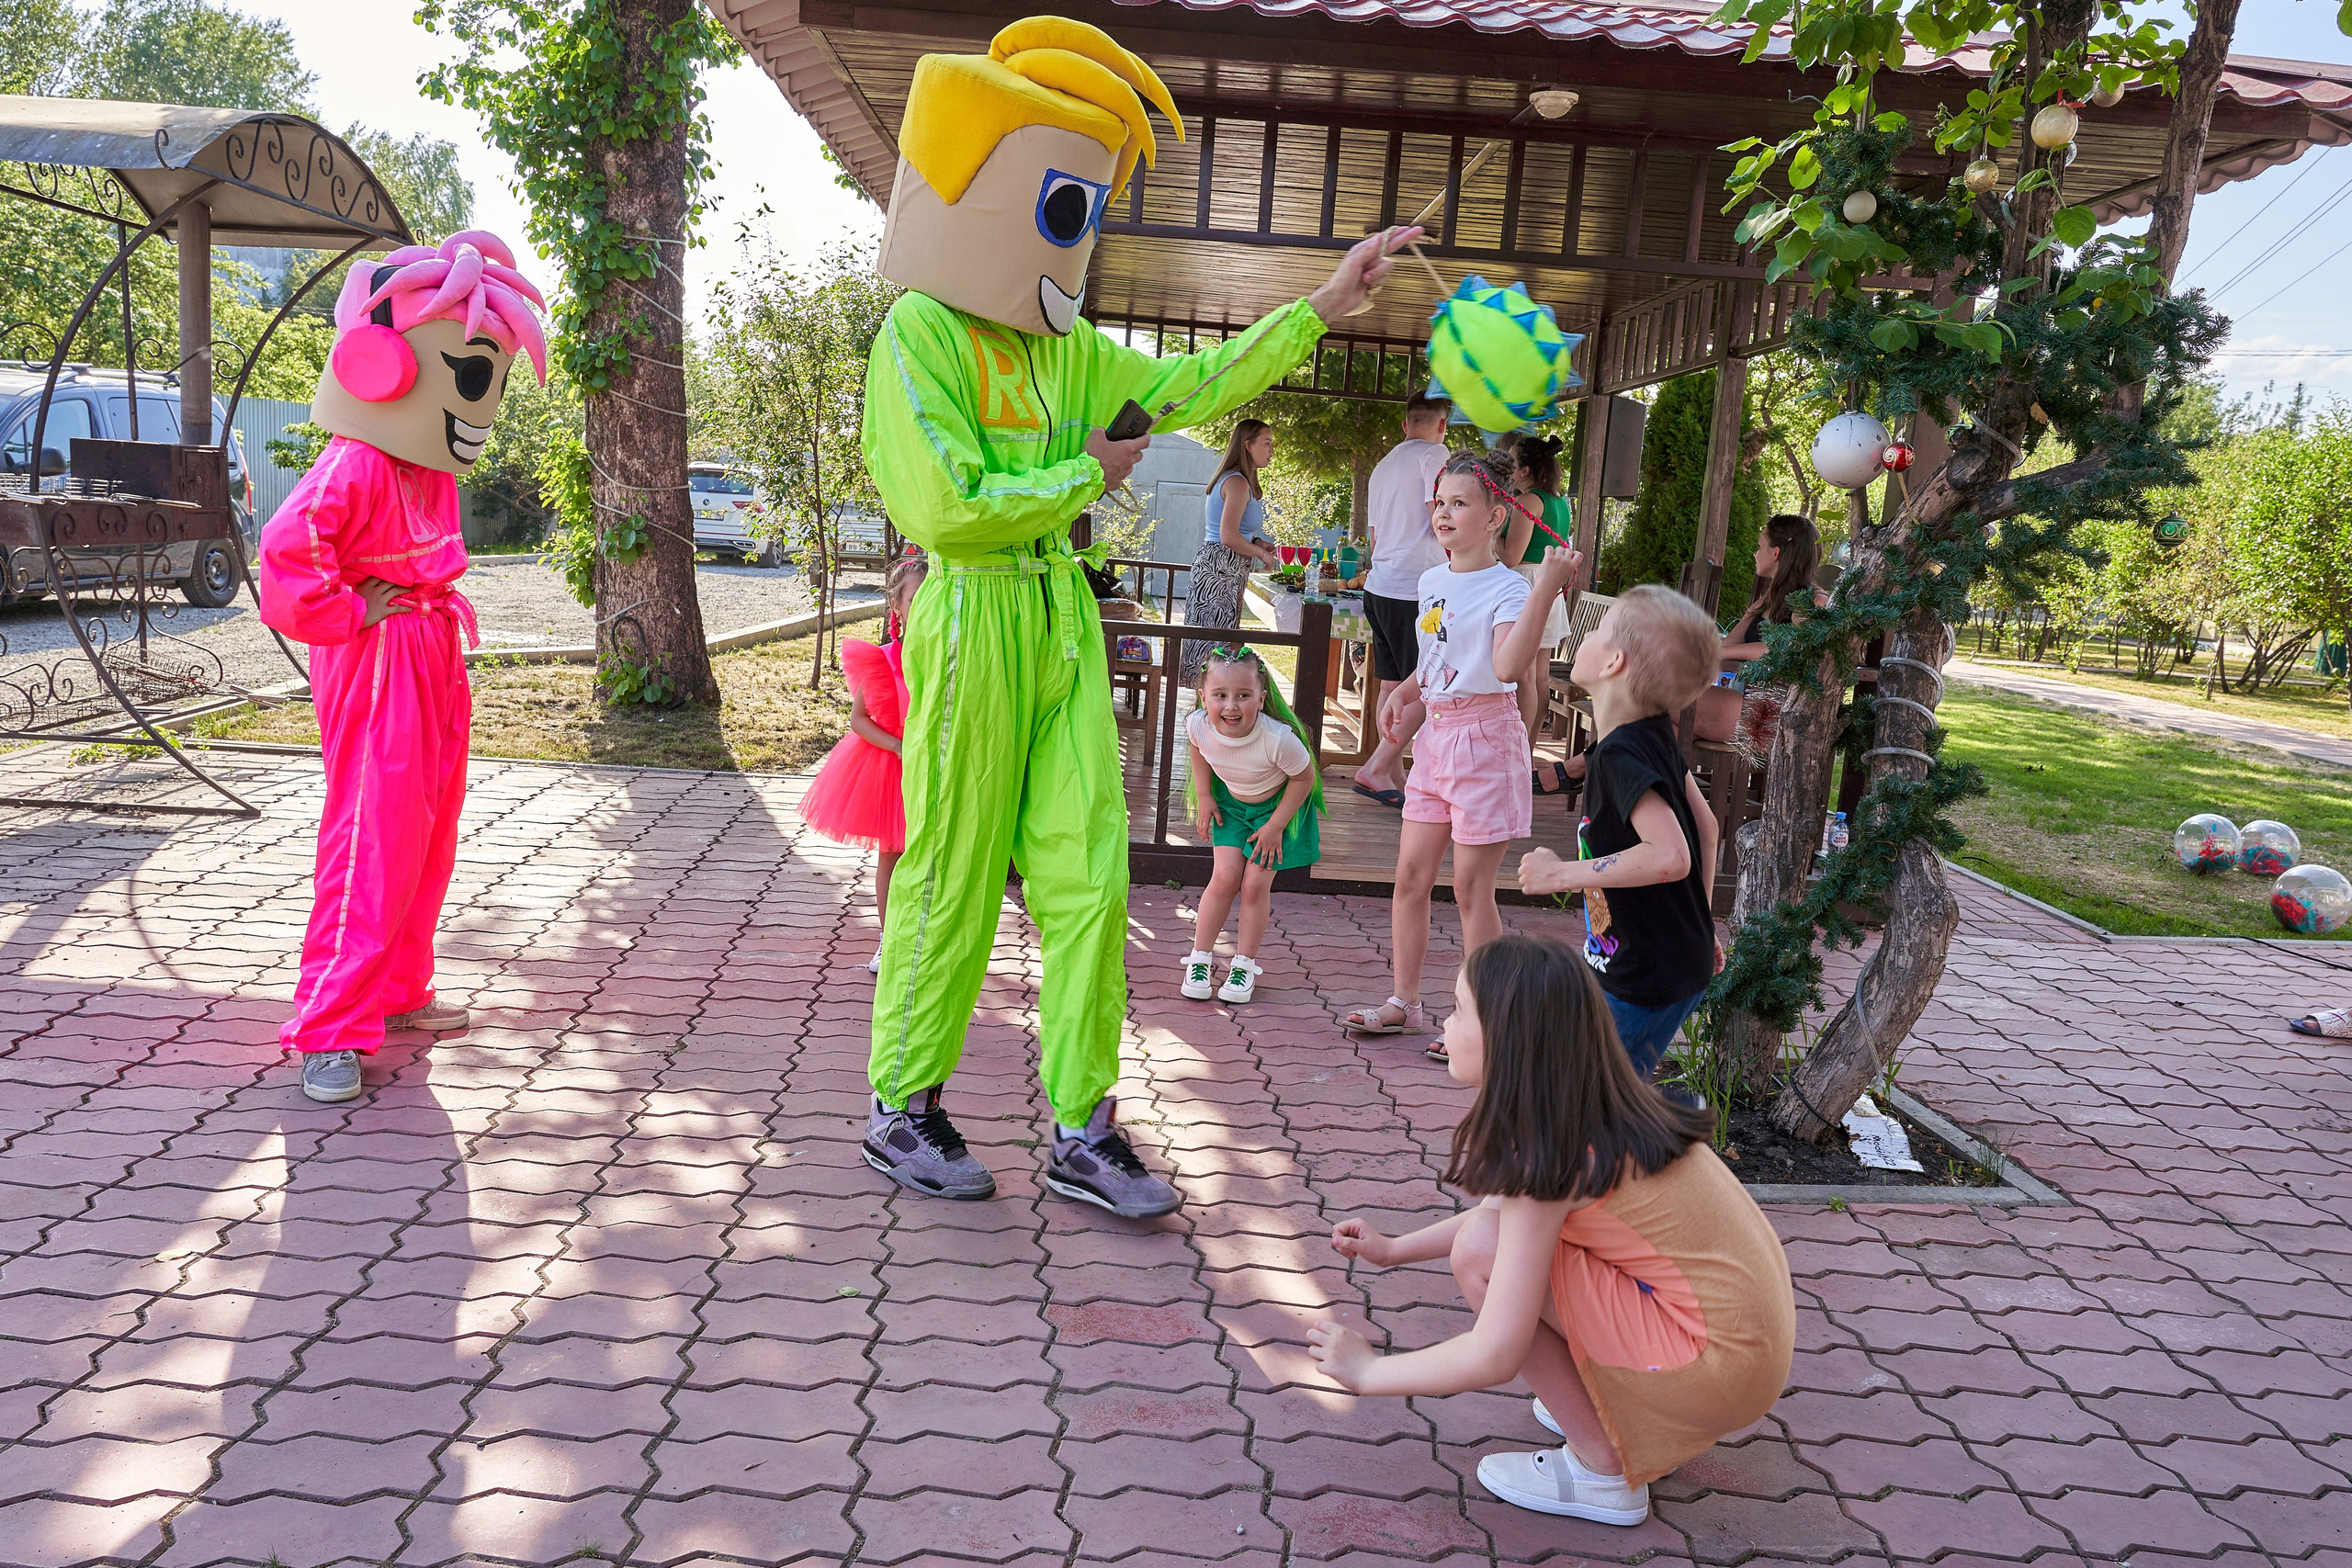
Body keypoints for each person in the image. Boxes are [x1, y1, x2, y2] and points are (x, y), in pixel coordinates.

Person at [858, 13, 1422, 1216]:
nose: (1082, 239)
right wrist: (1085, 477)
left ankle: (1082, 1124)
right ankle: (902, 1105)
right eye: (1070, 208)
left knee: (1092, 875)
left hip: (1059, 619)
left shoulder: (1070, 354)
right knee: (953, 870)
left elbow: (1191, 384)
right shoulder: (920, 332)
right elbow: (948, 504)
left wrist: (1321, 305)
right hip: (970, 617)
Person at [1307, 934, 1795, 1528]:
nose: (1445, 1022)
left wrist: (1368, 1373)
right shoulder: (1584, 1105)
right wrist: (1394, 1251)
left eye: (1459, 1009)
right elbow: (1505, 1216)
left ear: (1509, 1040)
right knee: (1492, 1241)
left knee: (1479, 1254)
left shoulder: (1546, 1152)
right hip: (1741, 1360)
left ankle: (1602, 1468)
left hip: (1712, 1373)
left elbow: (1495, 1351)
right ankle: (1621, 1416)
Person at [257, 231, 548, 1104]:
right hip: (378, 654)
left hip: (427, 647)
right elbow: (288, 551)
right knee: (371, 831)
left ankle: (394, 990)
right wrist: (352, 611)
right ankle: (329, 1026)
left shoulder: (426, 462)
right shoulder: (357, 458)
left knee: (425, 826)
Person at [1342, 450, 1577, 1042]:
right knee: (1409, 880)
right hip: (1436, 741)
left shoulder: (1510, 589)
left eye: (1460, 503)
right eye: (1439, 502)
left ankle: (1480, 1021)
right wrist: (1408, 694)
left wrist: (1545, 591)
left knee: (1472, 891)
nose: (1443, 513)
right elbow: (1436, 656)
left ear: (1496, 516)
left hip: (1486, 744)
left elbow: (1506, 668)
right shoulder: (1432, 580)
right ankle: (1405, 1002)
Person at [1518, 586, 1724, 1078]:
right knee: (1601, 1085)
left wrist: (1561, 874)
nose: (1587, 634)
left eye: (1599, 629)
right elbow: (1707, 827)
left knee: (1588, 1090)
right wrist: (1699, 923)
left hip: (1642, 977)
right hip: (1654, 958)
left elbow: (1670, 856)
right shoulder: (1649, 736)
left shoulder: (1621, 755)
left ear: (1614, 662)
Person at [799, 554, 932, 972]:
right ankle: (889, 941)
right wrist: (898, 746)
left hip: (936, 767)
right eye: (914, 600)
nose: (924, 608)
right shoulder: (884, 659)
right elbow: (859, 720)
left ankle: (926, 940)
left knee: (932, 855)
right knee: (892, 855)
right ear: (896, 606)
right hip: (893, 767)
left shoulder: (949, 660)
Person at [1181, 643, 1323, 1004]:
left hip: (1276, 812)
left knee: (1255, 885)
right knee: (1224, 878)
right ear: (1203, 697)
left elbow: (1304, 778)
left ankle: (1243, 964)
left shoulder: (1278, 739)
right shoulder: (1198, 724)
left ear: (1261, 699)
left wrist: (1275, 827)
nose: (1231, 706)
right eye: (1220, 695)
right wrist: (1205, 795)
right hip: (1231, 806)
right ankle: (1200, 959)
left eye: (1243, 695)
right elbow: (1197, 748)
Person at [1349, 391, 1453, 808]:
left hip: (1380, 588)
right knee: (1427, 684)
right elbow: (1440, 515)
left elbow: (1374, 537)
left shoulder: (1383, 465)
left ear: (1405, 424)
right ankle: (1377, 767)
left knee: (1392, 683)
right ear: (1442, 425)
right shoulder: (1436, 454)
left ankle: (1392, 773)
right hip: (1418, 591)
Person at [1500, 433, 1577, 786]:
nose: (1508, 469)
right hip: (1549, 585)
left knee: (1525, 677)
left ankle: (1518, 754)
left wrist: (1490, 531)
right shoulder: (1559, 501)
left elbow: (1511, 556)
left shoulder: (1528, 501)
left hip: (1528, 585)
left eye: (1513, 462)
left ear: (1526, 469)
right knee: (1540, 677)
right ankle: (1526, 753)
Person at [1181, 421, 1282, 683]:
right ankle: (1206, 707)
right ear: (1248, 445)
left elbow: (1232, 531)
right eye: (1267, 443)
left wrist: (1256, 541)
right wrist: (1261, 554)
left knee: (1220, 648)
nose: (1272, 449)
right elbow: (1227, 536)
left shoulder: (1238, 479)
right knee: (1215, 652)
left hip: (1224, 567)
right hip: (1219, 570)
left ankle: (1212, 706)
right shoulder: (1237, 482)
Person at [1720, 513, 1826, 664]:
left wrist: (1721, 652)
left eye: (1760, 546)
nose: (1755, 554)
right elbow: (1727, 644)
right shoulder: (1765, 602)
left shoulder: (1815, 602)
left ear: (1775, 553)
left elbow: (1792, 648)